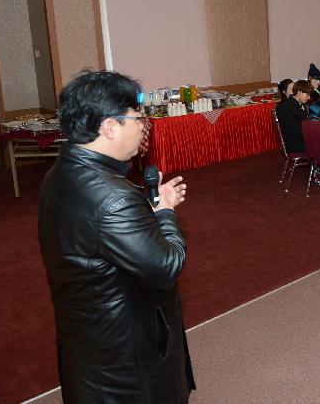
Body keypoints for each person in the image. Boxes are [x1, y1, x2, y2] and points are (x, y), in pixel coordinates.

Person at [39, 71, 195, 402]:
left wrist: (144, 212)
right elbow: (166, 265)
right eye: (138, 118)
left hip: (89, 341)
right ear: (109, 128)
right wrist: (165, 212)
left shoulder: (61, 174)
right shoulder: (113, 198)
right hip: (125, 359)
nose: (144, 125)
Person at [277, 79, 312, 153]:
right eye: (307, 94)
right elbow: (295, 132)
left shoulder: (297, 103)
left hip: (299, 140)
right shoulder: (288, 108)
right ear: (299, 92)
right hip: (295, 145)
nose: (309, 98)